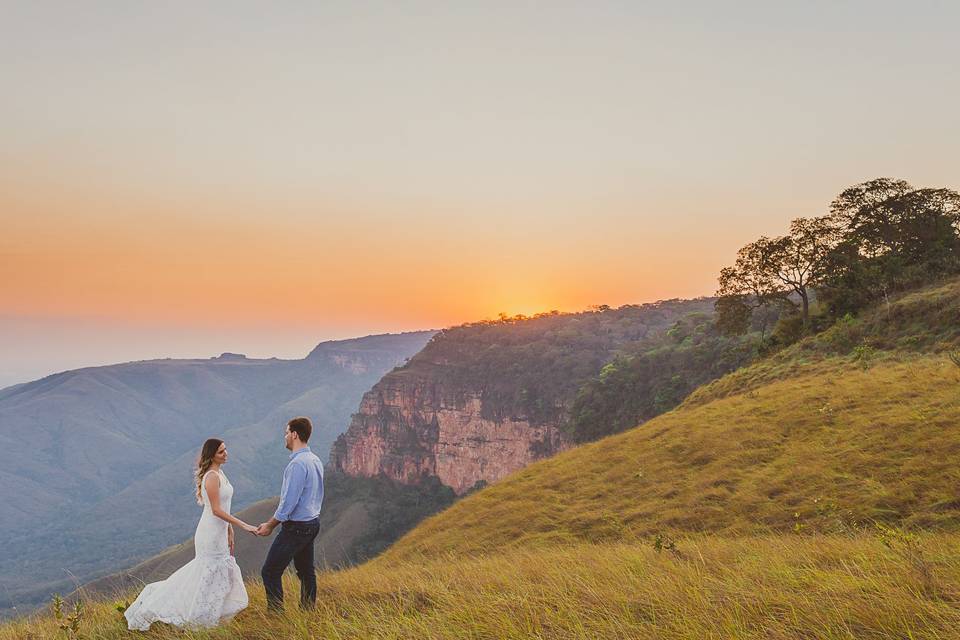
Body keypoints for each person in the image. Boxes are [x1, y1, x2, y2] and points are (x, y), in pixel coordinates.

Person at [124, 438, 255, 630]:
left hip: (219, 530)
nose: (225, 453)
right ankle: (196, 615)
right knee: (207, 571)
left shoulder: (220, 472)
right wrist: (243, 524)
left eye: (225, 449)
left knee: (217, 572)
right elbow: (216, 510)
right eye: (221, 452)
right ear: (211, 455)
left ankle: (212, 613)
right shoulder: (211, 476)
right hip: (210, 533)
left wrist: (229, 528)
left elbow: (223, 506)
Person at [256, 416, 325, 612]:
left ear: (294, 434)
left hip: (296, 527)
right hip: (312, 523)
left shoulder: (297, 464)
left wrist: (270, 524)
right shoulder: (315, 460)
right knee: (306, 572)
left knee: (270, 571)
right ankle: (307, 611)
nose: (285, 437)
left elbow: (288, 503)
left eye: (286, 433)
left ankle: (277, 616)